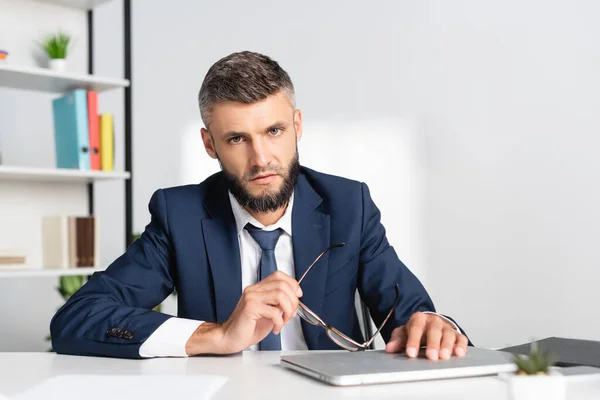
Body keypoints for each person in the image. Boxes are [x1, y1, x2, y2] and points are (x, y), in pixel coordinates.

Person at [50, 51, 470, 360]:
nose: (261, 158)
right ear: (209, 144)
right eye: (237, 139)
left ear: (297, 126)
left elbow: (411, 314)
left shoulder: (348, 205)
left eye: (273, 130)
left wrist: (432, 326)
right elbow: (76, 318)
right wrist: (217, 335)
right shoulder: (179, 215)